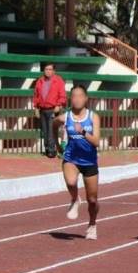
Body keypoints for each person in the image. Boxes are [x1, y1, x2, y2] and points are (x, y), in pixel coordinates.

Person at [53, 85, 101, 239]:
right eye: (74, 96)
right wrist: (57, 144)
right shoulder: (65, 117)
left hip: (89, 161)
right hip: (71, 158)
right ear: (70, 99)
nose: (77, 99)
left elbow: (96, 142)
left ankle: (92, 224)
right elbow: (54, 124)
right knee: (71, 182)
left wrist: (83, 132)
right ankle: (75, 199)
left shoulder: (93, 117)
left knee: (92, 200)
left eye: (80, 96)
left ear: (86, 99)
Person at [33, 62, 67, 158]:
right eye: (46, 69)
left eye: (50, 69)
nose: (48, 71)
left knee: (51, 130)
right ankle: (47, 149)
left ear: (54, 71)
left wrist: (59, 105)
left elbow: (62, 95)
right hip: (42, 109)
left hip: (53, 109)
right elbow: (36, 95)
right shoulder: (40, 81)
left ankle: (52, 150)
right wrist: (36, 107)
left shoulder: (58, 80)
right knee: (44, 130)